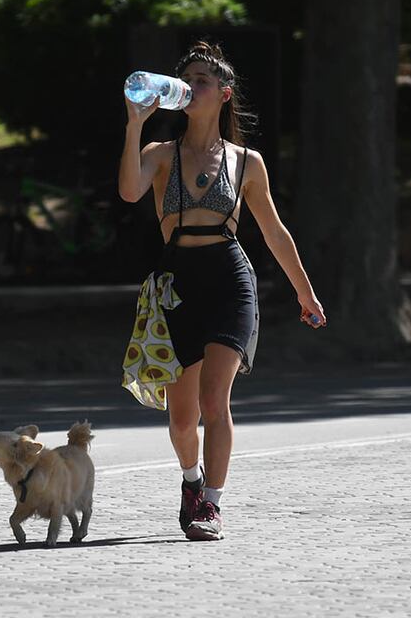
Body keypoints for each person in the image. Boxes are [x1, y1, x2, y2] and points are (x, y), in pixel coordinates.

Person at [119, 41, 326, 540]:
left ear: (224, 94)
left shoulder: (246, 162)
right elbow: (128, 191)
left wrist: (306, 292)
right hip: (176, 282)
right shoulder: (159, 153)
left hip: (230, 278)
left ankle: (210, 504)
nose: (192, 86)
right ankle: (191, 482)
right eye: (186, 78)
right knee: (182, 417)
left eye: (202, 80)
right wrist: (133, 125)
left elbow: (274, 231)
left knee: (216, 402)